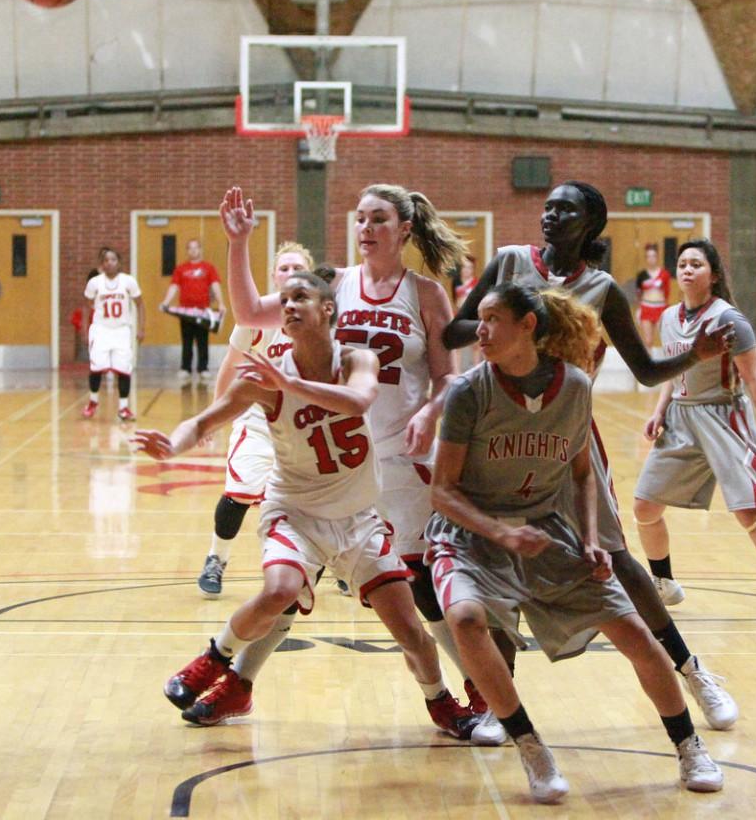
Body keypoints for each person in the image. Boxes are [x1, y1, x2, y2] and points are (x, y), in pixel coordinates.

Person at [444, 181, 738, 733]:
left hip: (564, 428)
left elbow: (647, 370)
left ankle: (693, 671)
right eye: (548, 206)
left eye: (565, 209)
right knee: (495, 557)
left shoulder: (602, 288)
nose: (551, 215)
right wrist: (506, 327)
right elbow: (452, 330)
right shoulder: (510, 262)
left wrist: (693, 356)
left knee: (617, 557)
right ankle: (493, 704)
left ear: (591, 223)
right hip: (498, 427)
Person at [134, 271, 478, 739]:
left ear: (328, 310)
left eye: (301, 298)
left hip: (358, 521)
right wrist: (172, 446)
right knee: (280, 590)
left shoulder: (358, 359)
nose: (289, 306)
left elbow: (358, 402)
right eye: (284, 300)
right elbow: (202, 421)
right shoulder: (264, 375)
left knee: (410, 631)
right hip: (295, 513)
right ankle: (213, 658)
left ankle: (441, 702)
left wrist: (289, 386)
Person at [220, 183, 496, 741]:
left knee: (418, 585)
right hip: (335, 464)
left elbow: (449, 378)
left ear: (404, 230)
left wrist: (430, 413)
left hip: (400, 459)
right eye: (361, 218)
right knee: (299, 577)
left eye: (379, 219)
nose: (366, 228)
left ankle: (481, 696)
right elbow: (250, 311)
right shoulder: (333, 285)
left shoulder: (424, 293)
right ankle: (238, 686)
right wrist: (240, 242)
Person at [429, 281, 723, 803]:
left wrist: (591, 538)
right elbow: (442, 491)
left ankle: (689, 745)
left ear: (528, 327)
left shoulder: (576, 388)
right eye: (481, 319)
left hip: (547, 530)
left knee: (636, 634)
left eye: (493, 319)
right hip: (472, 535)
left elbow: (584, 475)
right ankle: (531, 745)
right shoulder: (468, 392)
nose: (481, 329)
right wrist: (499, 532)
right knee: (468, 620)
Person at [633, 240, 756, 632]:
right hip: (681, 417)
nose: (687, 270)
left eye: (696, 264)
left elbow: (755, 378)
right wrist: (659, 410)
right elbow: (673, 370)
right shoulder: (667, 318)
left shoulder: (730, 321)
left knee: (748, 512)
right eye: (682, 263)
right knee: (645, 507)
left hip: (723, 415)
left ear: (713, 274)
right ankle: (663, 582)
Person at [196, 241, 315, 599]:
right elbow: (229, 367)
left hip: (305, 423)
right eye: (284, 269)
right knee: (242, 489)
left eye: (297, 268)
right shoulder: (253, 318)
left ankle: (334, 565)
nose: (290, 274)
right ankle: (217, 558)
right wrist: (212, 417)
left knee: (317, 501)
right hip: (259, 419)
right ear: (273, 276)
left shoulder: (320, 317)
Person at [83, 248, 144, 422]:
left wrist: (141, 328)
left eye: (113, 259)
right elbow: (87, 307)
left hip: (122, 330)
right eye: (106, 260)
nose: (110, 263)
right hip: (101, 329)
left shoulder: (128, 282)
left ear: (119, 262)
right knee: (97, 366)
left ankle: (123, 408)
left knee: (124, 368)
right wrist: (85, 328)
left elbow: (140, 304)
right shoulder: (94, 283)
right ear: (102, 264)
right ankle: (93, 402)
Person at [160, 239, 223, 386]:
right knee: (186, 340)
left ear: (200, 249)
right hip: (186, 312)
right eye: (190, 248)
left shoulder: (208, 268)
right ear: (187, 251)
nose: (193, 251)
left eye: (196, 248)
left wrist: (221, 303)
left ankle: (203, 368)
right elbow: (174, 287)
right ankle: (185, 368)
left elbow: (215, 285)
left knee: (203, 340)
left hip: (203, 311)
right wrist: (166, 302)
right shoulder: (181, 269)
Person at [635, 243, 672, 349]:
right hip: (646, 307)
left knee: (664, 338)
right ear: (646, 258)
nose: (651, 259)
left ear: (657, 257)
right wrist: (639, 309)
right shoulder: (641, 275)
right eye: (649, 256)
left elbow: (667, 292)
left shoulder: (664, 274)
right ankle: (648, 364)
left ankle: (666, 363)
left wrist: (666, 309)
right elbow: (638, 293)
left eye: (653, 256)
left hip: (660, 308)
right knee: (648, 340)